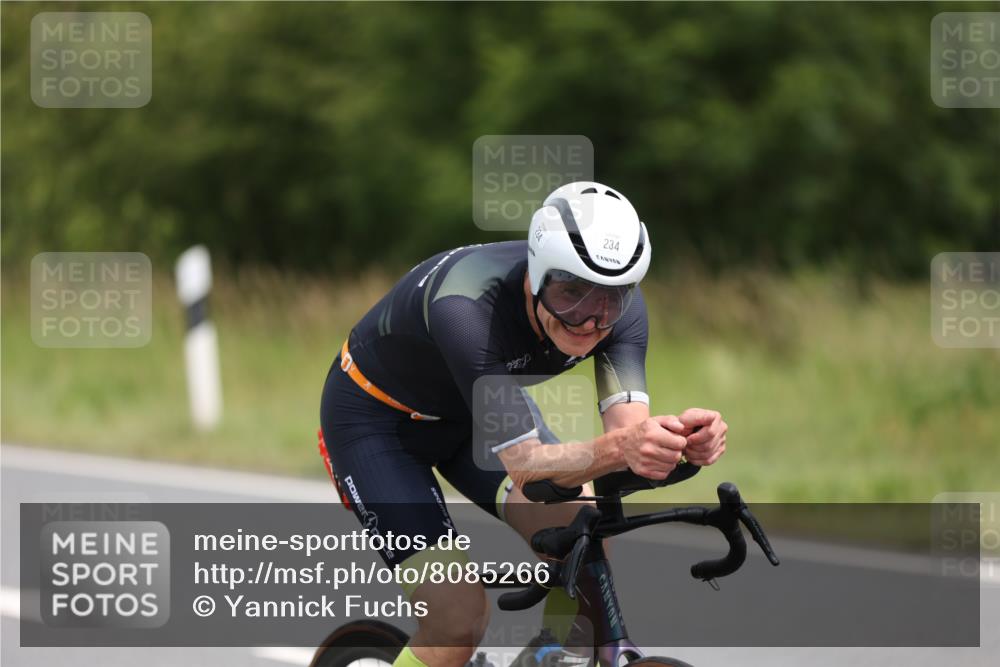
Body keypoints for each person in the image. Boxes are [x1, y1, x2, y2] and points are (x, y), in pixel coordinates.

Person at [319, 181, 728, 667]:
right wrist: (623, 447)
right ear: (535, 276)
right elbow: (528, 468)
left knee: (583, 524)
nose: (589, 321)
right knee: (457, 619)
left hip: (474, 412)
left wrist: (679, 443)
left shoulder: (622, 313)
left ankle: (551, 656)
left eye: (609, 299)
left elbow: (625, 441)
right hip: (377, 423)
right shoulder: (467, 309)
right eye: (570, 292)